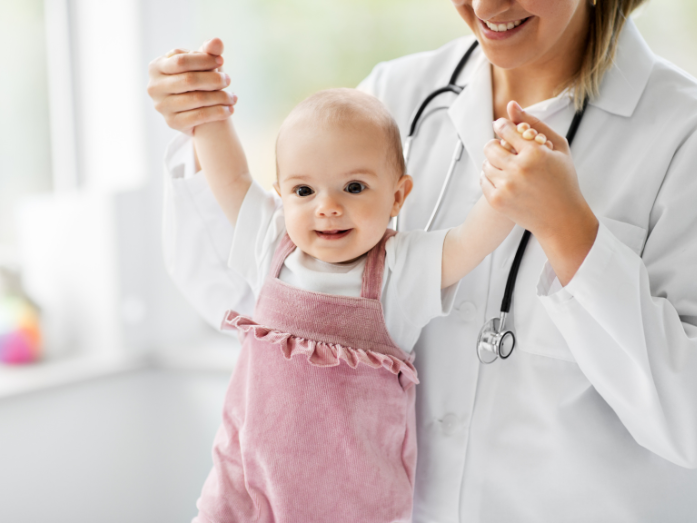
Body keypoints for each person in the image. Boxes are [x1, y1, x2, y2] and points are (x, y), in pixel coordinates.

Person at [147, 0, 697, 521]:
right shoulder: (390, 97)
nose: (484, 7)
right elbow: (257, 299)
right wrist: (202, 120)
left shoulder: (681, 135)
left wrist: (571, 233)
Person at [188, 83, 523, 521]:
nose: (327, 206)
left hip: (351, 507)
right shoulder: (270, 242)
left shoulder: (398, 270)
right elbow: (230, 177)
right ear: (281, 194)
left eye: (354, 187)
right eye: (304, 191)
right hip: (247, 493)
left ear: (398, 196)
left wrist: (513, 183)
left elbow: (467, 244)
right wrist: (208, 108)